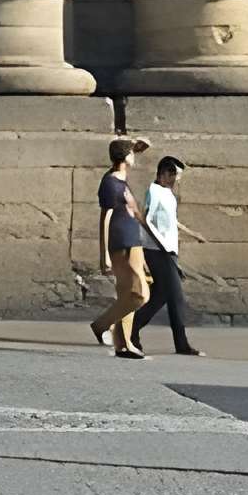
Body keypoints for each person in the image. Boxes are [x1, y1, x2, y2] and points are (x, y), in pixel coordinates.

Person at [87, 136, 153, 358]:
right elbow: (104, 218)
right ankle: (104, 325)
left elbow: (131, 154)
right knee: (139, 295)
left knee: (129, 294)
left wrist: (134, 146)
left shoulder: (121, 177)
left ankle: (122, 342)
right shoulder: (110, 183)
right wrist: (103, 253)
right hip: (120, 243)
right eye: (131, 154)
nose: (135, 156)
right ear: (125, 158)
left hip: (133, 241)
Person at [129, 155, 201, 358]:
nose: (177, 180)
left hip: (168, 250)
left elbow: (171, 221)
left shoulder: (168, 194)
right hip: (157, 251)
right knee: (176, 297)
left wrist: (192, 233)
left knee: (160, 296)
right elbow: (146, 220)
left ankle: (130, 329)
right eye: (175, 175)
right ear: (164, 173)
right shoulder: (155, 191)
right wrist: (161, 245)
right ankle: (181, 343)